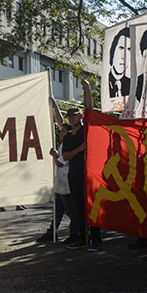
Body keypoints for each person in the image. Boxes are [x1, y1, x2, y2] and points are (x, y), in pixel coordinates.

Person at [61, 83, 102, 251]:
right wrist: (80, 149)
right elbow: (65, 156)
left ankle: (95, 239)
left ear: (80, 117)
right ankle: (81, 237)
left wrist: (86, 88)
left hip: (87, 174)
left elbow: (90, 108)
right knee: (79, 208)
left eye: (75, 115)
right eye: (69, 116)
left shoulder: (87, 129)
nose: (72, 118)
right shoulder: (69, 136)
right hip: (74, 175)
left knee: (91, 206)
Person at [36, 105, 77, 244]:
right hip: (60, 183)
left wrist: (54, 156)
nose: (61, 132)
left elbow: (61, 163)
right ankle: (52, 231)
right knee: (58, 209)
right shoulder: (63, 143)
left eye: (63, 131)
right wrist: (54, 106)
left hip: (66, 183)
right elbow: (61, 123)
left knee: (70, 211)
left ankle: (75, 233)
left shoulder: (68, 143)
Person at [107, 27, 131, 100]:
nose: (124, 56)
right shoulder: (106, 83)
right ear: (113, 50)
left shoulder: (133, 86)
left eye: (129, 49)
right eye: (121, 48)